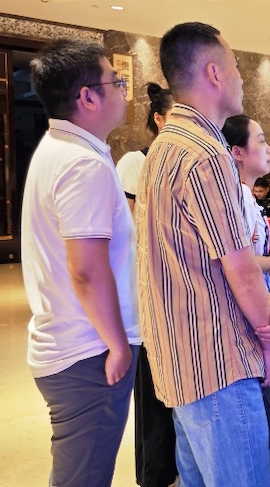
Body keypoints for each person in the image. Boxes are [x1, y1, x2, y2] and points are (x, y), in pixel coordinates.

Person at [135, 22, 270, 485]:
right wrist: (269, 332)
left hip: (180, 362)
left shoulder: (164, 146)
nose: (241, 76)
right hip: (218, 363)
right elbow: (239, 266)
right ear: (215, 73)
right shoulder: (207, 153)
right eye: (236, 65)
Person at [21, 38, 141, 486]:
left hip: (73, 343)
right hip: (89, 353)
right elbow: (86, 270)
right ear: (88, 97)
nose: (124, 90)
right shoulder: (81, 164)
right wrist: (117, 345)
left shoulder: (60, 148)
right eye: (117, 81)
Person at [114, 80, 178, 487]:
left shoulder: (184, 162)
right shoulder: (133, 163)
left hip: (179, 292)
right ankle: (154, 475)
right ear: (158, 118)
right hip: (148, 291)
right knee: (153, 393)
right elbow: (134, 230)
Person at [223, 114, 270, 419]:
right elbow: (241, 263)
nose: (269, 149)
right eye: (261, 140)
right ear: (237, 152)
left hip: (254, 310)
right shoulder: (239, 195)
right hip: (251, 313)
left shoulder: (243, 194)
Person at [116, 82, 173, 212]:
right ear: (159, 119)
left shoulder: (190, 164)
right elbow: (122, 221)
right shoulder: (133, 163)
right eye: (177, 118)